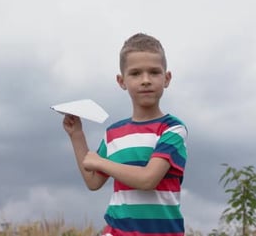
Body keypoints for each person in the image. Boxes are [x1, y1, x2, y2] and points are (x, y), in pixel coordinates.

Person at [62, 33, 189, 236]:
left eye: (154, 72)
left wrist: (101, 163)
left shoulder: (172, 129)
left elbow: (148, 180)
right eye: (135, 73)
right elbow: (93, 181)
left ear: (167, 78)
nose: (145, 80)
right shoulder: (114, 133)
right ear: (122, 81)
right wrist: (76, 135)